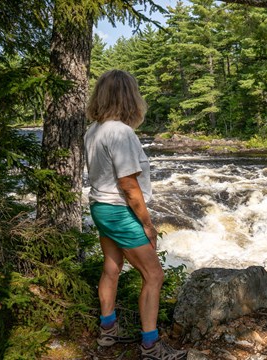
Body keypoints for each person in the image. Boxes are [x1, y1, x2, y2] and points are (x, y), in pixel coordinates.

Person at [84, 69, 187, 360]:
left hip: (100, 207)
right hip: (120, 211)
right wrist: (147, 224)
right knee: (154, 275)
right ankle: (151, 347)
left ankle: (108, 330)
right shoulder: (121, 132)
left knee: (111, 269)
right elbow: (129, 185)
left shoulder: (93, 130)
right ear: (129, 97)